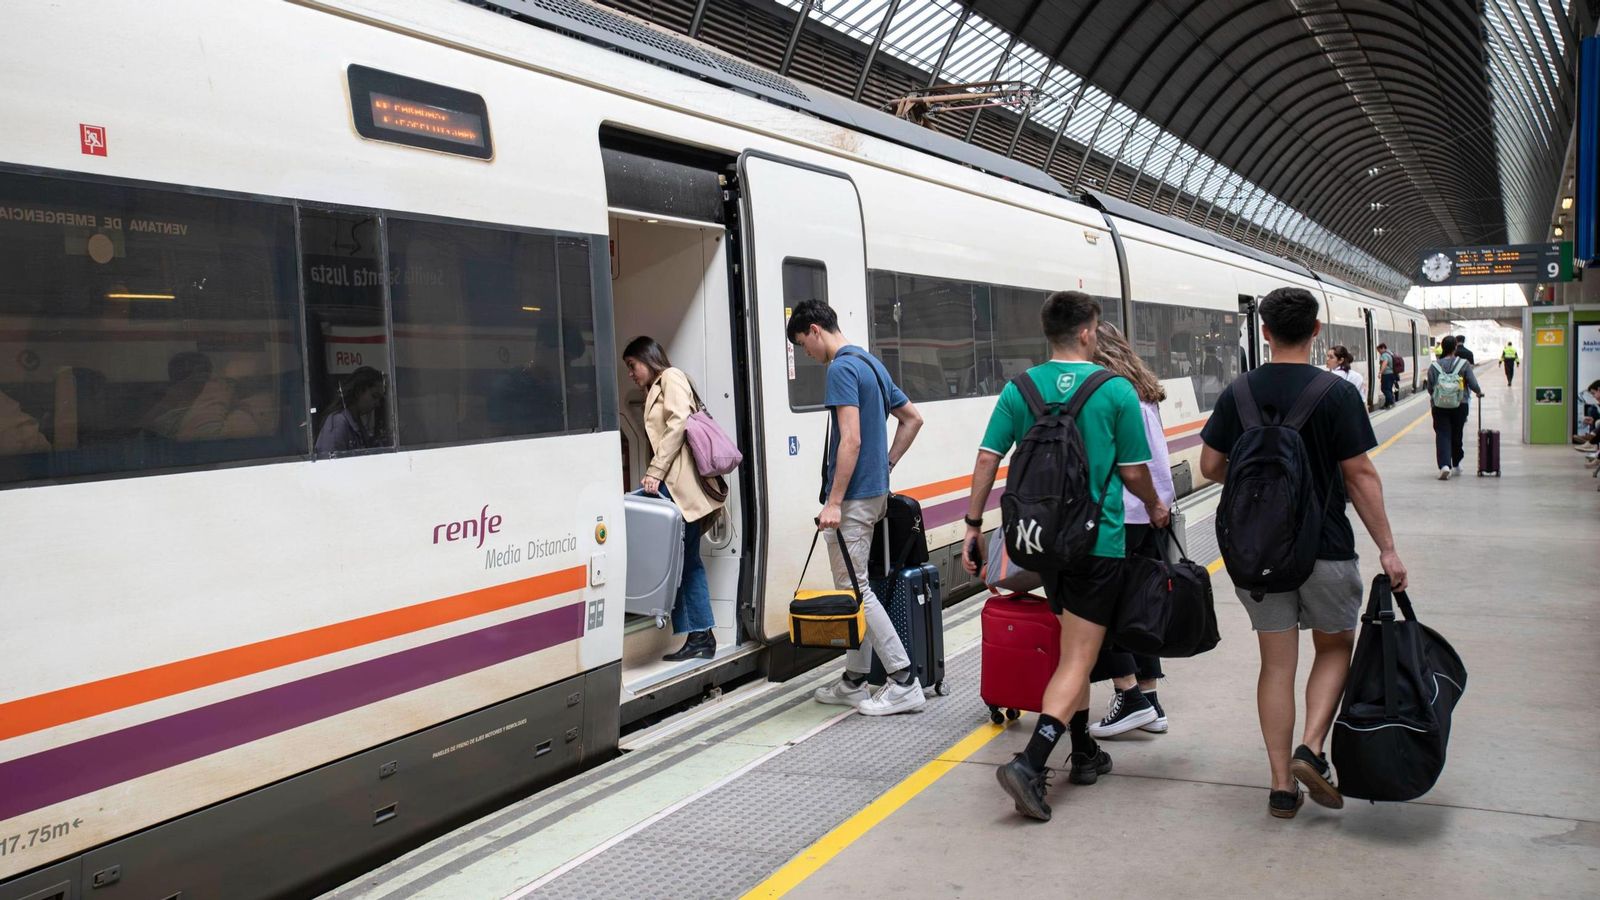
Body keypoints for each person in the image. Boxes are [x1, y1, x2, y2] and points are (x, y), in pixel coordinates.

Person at [959, 291, 1170, 822]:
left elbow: (988, 458)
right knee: (1078, 657)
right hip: (1099, 543)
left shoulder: (1020, 389)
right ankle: (1031, 763)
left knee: (1072, 647)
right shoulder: (1115, 391)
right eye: (1095, 329)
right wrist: (1154, 505)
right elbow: (1132, 471)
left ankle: (1085, 752)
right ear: (1085, 332)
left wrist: (973, 524)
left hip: (1044, 542)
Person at [1200, 286, 1409, 820]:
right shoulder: (1335, 393)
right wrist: (1388, 548)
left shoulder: (1238, 393)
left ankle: (1278, 787)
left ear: (1264, 332)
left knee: (1276, 665)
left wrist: (1257, 491)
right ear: (1317, 332)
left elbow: (1209, 467)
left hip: (1256, 554)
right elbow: (1359, 475)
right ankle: (1311, 748)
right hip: (1326, 549)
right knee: (1335, 646)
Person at [787, 301, 927, 714]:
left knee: (856, 590)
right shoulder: (870, 364)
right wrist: (886, 466)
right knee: (855, 587)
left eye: (802, 345)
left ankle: (903, 681)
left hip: (852, 500)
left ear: (815, 330)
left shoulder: (841, 369)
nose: (806, 354)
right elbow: (912, 419)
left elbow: (850, 440)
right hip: (874, 494)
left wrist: (833, 501)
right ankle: (854, 680)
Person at [1086, 323, 1176, 739]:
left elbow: (1129, 464)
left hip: (1122, 514)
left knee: (1101, 609)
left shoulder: (1112, 395)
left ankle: (1129, 698)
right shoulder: (1143, 390)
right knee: (1140, 607)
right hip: (1152, 513)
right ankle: (1151, 700)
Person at [623, 336, 726, 662]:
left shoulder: (671, 377)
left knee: (686, 562)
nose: (630, 373)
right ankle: (700, 635)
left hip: (682, 488)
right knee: (685, 561)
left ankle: (700, 636)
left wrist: (654, 470)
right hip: (673, 486)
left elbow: (679, 421)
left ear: (647, 358)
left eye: (632, 365)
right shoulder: (657, 386)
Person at [1427, 335, 1484, 480]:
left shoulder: (1434, 366)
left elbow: (1430, 388)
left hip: (1439, 405)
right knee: (1457, 434)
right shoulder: (1463, 364)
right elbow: (1472, 383)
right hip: (1460, 404)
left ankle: (1445, 466)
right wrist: (1479, 392)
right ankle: (1457, 463)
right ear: (1455, 348)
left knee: (1443, 434)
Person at [315, 366, 387, 456]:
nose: (377, 403)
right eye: (374, 396)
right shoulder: (337, 422)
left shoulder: (357, 423)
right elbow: (330, 464)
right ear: (359, 392)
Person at [1377, 343, 1396, 409]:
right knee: (1388, 389)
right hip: (1392, 374)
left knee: (1384, 389)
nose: (1379, 352)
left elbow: (1385, 363)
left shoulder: (1384, 355)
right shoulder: (1389, 353)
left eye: (1379, 350)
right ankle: (1387, 404)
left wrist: (1380, 372)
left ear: (1382, 348)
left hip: (1386, 374)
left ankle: (1391, 401)